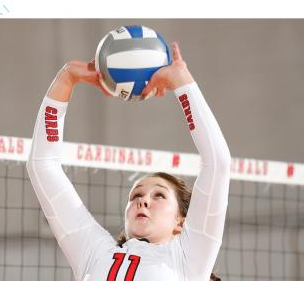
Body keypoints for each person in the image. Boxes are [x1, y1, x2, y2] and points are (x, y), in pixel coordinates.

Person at [27, 42, 231, 281]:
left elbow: (218, 162)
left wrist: (181, 81)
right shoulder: (94, 251)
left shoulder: (187, 258)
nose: (143, 201)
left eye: (159, 196)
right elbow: (42, 165)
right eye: (136, 196)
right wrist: (67, 78)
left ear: (181, 222)